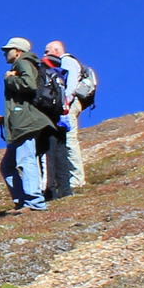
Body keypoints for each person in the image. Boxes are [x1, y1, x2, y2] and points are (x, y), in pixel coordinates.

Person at [0, 37, 64, 210]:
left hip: (26, 122)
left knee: (25, 160)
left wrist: (9, 79)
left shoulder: (23, 62)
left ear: (17, 51)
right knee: (8, 166)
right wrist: (5, 118)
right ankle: (22, 201)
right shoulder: (24, 64)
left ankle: (34, 202)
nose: (5, 53)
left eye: (8, 50)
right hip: (23, 120)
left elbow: (29, 84)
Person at [42, 39, 94, 189]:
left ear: (57, 51)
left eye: (47, 51)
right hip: (70, 103)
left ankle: (77, 179)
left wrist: (63, 104)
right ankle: (69, 178)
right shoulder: (68, 61)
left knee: (70, 139)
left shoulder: (66, 61)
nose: (45, 54)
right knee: (65, 140)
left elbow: (69, 86)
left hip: (70, 104)